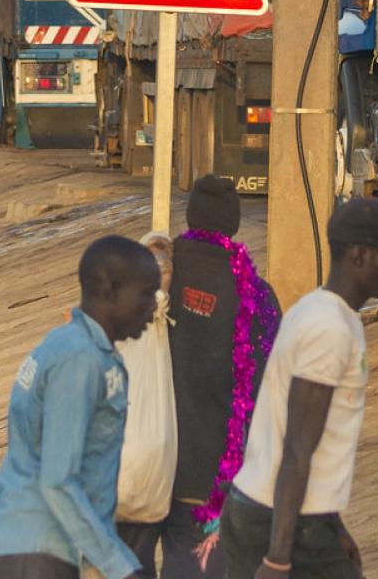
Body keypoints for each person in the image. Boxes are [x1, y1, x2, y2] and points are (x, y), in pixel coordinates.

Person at [220, 198, 378, 579]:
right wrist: (278, 558)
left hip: (282, 514)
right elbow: (298, 448)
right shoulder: (328, 328)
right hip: (283, 523)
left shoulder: (323, 312)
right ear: (360, 255)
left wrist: (334, 524)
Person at [0, 237, 161, 579]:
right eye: (147, 293)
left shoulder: (61, 344)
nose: (154, 305)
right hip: (40, 554)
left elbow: (22, 460)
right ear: (111, 290)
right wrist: (120, 566)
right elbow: (58, 480)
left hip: (19, 547)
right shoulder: (81, 360)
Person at [124, 175, 280, 578]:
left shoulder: (153, 275)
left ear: (190, 216)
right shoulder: (256, 295)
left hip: (137, 466)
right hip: (207, 479)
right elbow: (269, 393)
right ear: (233, 225)